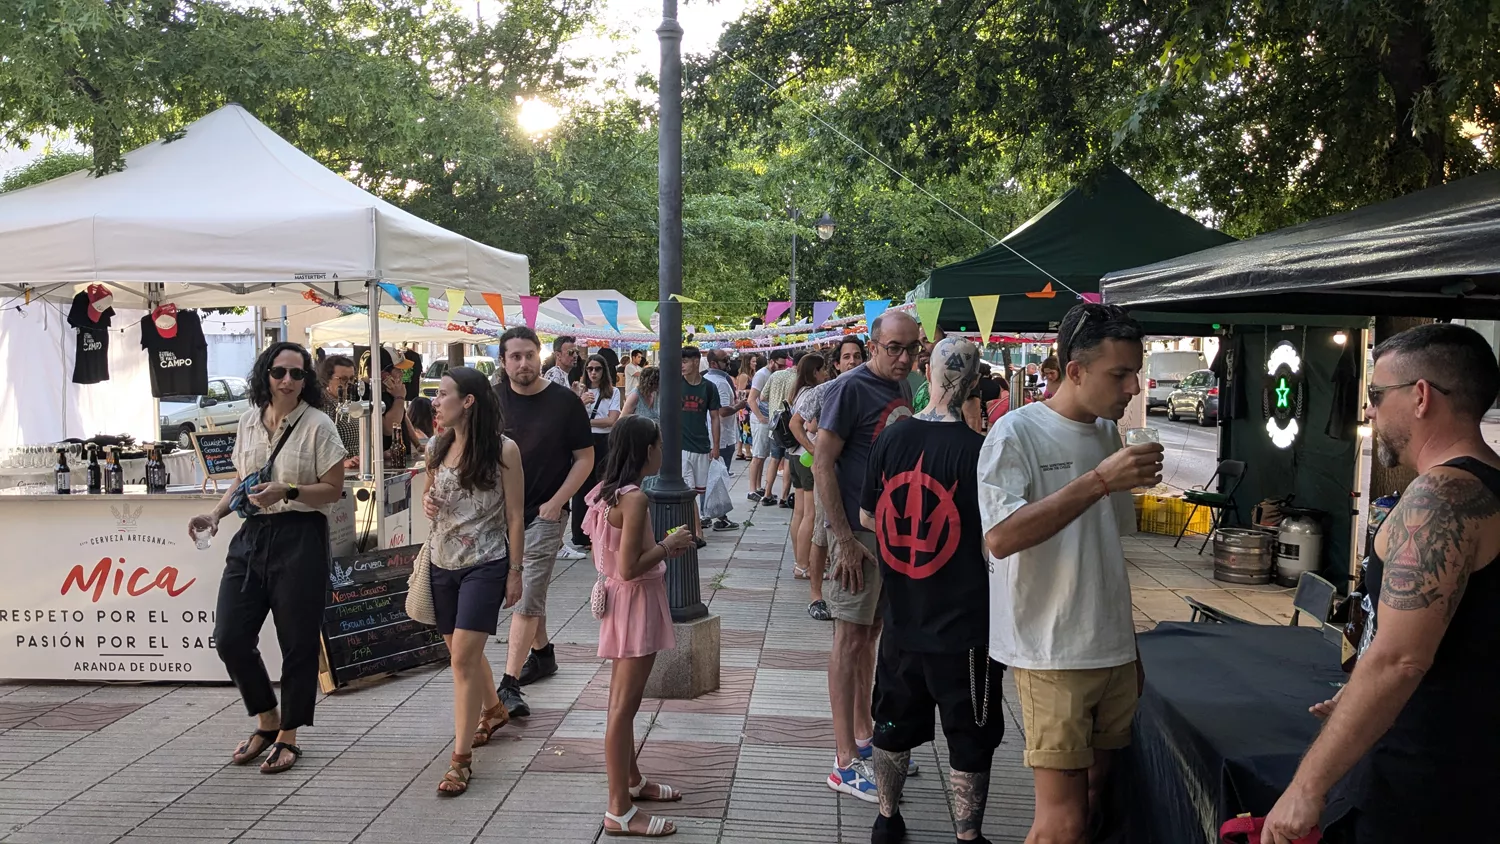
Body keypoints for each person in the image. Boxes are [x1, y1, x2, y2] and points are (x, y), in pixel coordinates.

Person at [1262, 324, 1500, 844]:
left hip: (1423, 787)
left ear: (1420, 397)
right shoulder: (1487, 486)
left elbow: (1399, 659)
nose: (1368, 411)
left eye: (1375, 395)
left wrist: (1306, 786)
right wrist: (1357, 703)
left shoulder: (1441, 496)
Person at [978, 303, 1163, 844]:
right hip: (1052, 650)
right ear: (1075, 371)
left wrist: (1129, 647)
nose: (1132, 385)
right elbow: (1001, 537)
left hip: (1110, 647)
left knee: (1097, 797)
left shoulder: (1108, 434)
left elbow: (1103, 551)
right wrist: (1098, 481)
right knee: (1062, 822)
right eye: (1119, 373)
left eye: (1136, 371)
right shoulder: (1017, 433)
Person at [861, 337, 1003, 843]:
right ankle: (968, 836)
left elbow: (866, 514)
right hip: (964, 628)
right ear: (975, 382)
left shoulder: (892, 439)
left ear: (928, 371)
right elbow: (996, 543)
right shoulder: (981, 452)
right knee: (972, 735)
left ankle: (887, 819)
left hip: (901, 619)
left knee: (892, 722)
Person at [189, 342, 346, 775]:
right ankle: (266, 718)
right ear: (266, 375)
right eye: (280, 372)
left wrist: (289, 491)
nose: (288, 381)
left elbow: (333, 490)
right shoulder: (247, 421)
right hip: (253, 535)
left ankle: (289, 735)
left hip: (301, 536)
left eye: (297, 374)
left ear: (306, 380)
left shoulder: (318, 425)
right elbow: (244, 478)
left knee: (297, 641)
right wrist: (216, 514)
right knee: (230, 636)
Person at [816, 312, 920, 802]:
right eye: (895, 348)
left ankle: (865, 733)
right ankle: (842, 761)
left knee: (869, 637)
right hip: (855, 536)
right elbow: (822, 462)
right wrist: (842, 539)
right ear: (874, 345)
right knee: (848, 637)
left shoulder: (903, 388)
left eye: (912, 349)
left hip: (887, 534)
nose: (904, 357)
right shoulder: (850, 389)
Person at [586, 416, 699, 837]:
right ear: (645, 450)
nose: (663, 452)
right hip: (635, 603)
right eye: (659, 444)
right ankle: (618, 809)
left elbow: (615, 558)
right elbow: (631, 567)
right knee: (623, 708)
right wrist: (670, 545)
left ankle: (631, 781)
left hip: (618, 601)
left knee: (622, 700)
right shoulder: (635, 500)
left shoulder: (604, 493)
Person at [422, 367, 525, 796]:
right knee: (461, 652)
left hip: (486, 562)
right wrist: (428, 502)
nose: (435, 401)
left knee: (461, 659)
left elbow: (517, 515)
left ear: (467, 402)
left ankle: (460, 761)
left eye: (443, 394)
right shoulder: (436, 444)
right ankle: (495, 710)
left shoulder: (504, 450)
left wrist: (516, 572)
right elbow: (433, 496)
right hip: (442, 561)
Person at [489, 327, 595, 717]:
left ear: (540, 357)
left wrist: (558, 502)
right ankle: (543, 654)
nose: (523, 363)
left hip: (545, 513)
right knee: (530, 593)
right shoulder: (490, 402)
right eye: (514, 356)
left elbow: (585, 457)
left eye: (529, 355)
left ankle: (508, 684)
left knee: (528, 587)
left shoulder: (565, 403)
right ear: (503, 361)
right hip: (498, 514)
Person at [793, 335, 867, 621]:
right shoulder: (825, 390)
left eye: (857, 356)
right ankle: (816, 596)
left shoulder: (871, 389)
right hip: (829, 476)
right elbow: (795, 423)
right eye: (847, 357)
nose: (853, 361)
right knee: (822, 535)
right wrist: (817, 452)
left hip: (861, 477)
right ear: (835, 364)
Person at [785, 353, 828, 580]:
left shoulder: (797, 392)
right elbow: (810, 426)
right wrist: (813, 449)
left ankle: (799, 561)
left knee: (799, 512)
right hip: (806, 455)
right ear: (815, 372)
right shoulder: (812, 393)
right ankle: (804, 566)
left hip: (793, 456)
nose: (826, 373)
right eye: (823, 369)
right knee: (810, 514)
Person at [572, 354, 622, 550]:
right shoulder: (579, 391)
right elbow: (569, 417)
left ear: (604, 370)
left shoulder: (613, 392)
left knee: (602, 486)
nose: (593, 372)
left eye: (597, 369)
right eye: (590, 369)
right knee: (581, 487)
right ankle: (581, 535)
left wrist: (586, 421)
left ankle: (600, 532)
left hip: (603, 440)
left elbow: (611, 420)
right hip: (583, 440)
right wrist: (580, 402)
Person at [678, 346, 722, 544]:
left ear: (696, 361)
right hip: (681, 446)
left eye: (685, 361)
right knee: (688, 489)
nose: (682, 366)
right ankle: (696, 532)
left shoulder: (709, 387)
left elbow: (715, 418)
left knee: (696, 490)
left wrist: (716, 446)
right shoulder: (675, 384)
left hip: (701, 444)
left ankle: (686, 528)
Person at [703, 350, 746, 531]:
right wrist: (739, 405)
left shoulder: (710, 379)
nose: (728, 362)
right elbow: (721, 411)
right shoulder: (719, 382)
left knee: (709, 478)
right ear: (714, 363)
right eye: (724, 360)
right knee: (718, 478)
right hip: (721, 438)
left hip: (716, 437)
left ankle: (706, 514)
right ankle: (718, 516)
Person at [746, 350, 786, 503]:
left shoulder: (771, 374)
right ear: (772, 361)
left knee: (762, 456)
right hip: (760, 420)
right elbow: (751, 400)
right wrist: (761, 418)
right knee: (757, 456)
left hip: (766, 420)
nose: (782, 368)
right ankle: (752, 489)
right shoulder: (762, 375)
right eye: (780, 365)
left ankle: (758, 487)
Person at [761, 351, 799, 508]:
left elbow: (762, 397)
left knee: (774, 459)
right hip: (790, 426)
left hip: (774, 425)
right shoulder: (798, 379)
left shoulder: (775, 376)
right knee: (789, 460)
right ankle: (784, 497)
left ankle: (767, 494)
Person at [317, 354, 362, 467]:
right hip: (336, 470)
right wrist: (342, 462)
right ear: (328, 379)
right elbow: (321, 443)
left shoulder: (350, 403)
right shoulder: (323, 404)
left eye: (352, 379)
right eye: (343, 379)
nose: (349, 384)